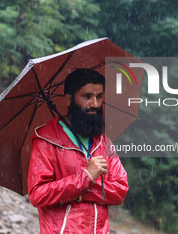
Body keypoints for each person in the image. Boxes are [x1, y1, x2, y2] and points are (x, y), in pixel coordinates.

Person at [28, 68, 129, 233]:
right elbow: (38, 194)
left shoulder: (103, 142)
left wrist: (84, 192)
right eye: (87, 96)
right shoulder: (46, 140)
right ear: (69, 99)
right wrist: (85, 177)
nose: (95, 104)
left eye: (99, 97)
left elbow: (120, 190)